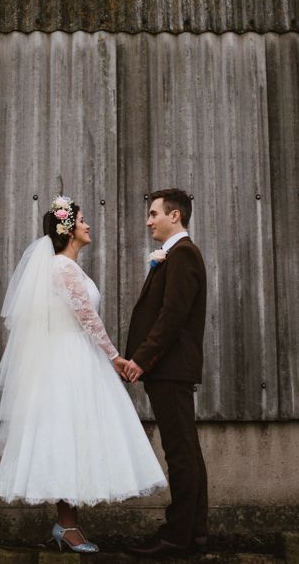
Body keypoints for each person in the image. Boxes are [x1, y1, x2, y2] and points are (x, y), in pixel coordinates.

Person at [0, 195, 167, 553]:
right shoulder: (62, 268)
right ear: (69, 229)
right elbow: (87, 317)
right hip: (68, 360)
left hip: (77, 357)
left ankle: (68, 525)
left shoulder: (68, 267)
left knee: (76, 436)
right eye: (83, 221)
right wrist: (116, 357)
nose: (88, 226)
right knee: (65, 436)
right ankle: (67, 526)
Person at [123, 188, 208, 557]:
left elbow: (171, 316)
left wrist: (142, 359)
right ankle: (193, 533)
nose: (148, 220)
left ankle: (177, 537)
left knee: (180, 452)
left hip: (170, 369)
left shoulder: (183, 254)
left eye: (154, 213)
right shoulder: (174, 256)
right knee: (186, 450)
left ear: (175, 216)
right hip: (169, 370)